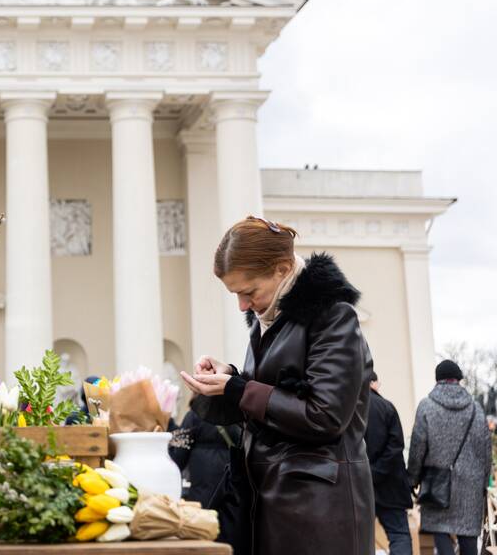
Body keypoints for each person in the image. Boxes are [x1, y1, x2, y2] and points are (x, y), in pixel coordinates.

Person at [180, 216, 374, 555]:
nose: (242, 305)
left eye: (247, 291)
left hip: (319, 513)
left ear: (282, 269)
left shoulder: (333, 317)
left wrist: (238, 389)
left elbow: (324, 416)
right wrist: (229, 378)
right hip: (276, 502)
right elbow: (272, 401)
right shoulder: (269, 320)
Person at [407, 360, 492, 555]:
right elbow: (486, 451)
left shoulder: (426, 406)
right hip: (470, 487)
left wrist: (412, 479)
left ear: (438, 380)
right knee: (468, 536)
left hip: (437, 485)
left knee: (441, 532)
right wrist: (482, 482)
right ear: (459, 380)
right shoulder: (476, 409)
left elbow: (417, 447)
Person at [365, 372, 414, 555]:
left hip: (358, 486)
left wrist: (366, 473)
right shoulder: (387, 408)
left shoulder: (348, 408)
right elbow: (396, 446)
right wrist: (377, 471)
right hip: (390, 486)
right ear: (372, 383)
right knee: (398, 534)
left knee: (358, 538)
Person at [169, 398, 242, 509]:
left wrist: (169, 424)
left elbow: (178, 457)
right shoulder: (241, 414)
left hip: (202, 495)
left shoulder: (195, 415)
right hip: (232, 492)